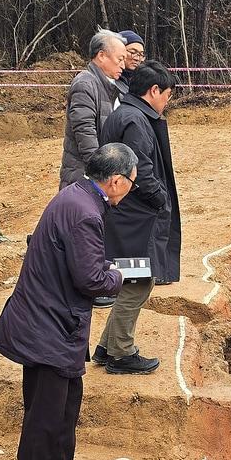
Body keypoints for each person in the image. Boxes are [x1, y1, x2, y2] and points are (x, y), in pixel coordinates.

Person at [0, 143, 137, 460]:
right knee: (45, 411)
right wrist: (118, 275)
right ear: (117, 181)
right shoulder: (85, 213)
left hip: (57, 322)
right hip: (47, 325)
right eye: (131, 183)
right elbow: (90, 279)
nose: (131, 189)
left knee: (67, 401)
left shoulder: (77, 197)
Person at [91, 61, 182, 375]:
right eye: (166, 95)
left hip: (127, 215)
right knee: (139, 282)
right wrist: (161, 199)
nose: (166, 103)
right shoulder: (135, 120)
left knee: (132, 280)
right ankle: (121, 353)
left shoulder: (126, 114)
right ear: (154, 90)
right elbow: (140, 171)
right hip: (136, 217)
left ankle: (106, 348)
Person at [59, 29, 128, 189]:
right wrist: (103, 173)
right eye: (120, 59)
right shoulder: (85, 84)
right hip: (84, 177)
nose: (123, 66)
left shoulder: (109, 86)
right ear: (102, 56)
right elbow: (85, 132)